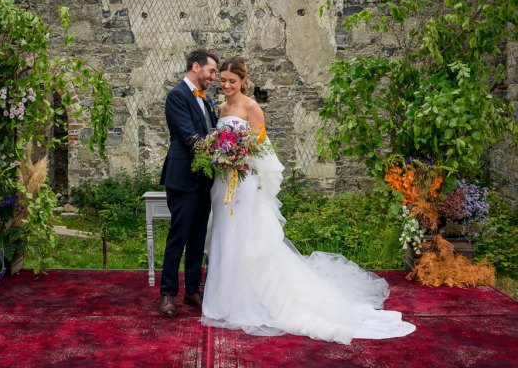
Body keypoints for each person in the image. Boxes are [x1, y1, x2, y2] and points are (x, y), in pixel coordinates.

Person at [201, 56, 416, 344]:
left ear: (243, 81)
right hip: (223, 181)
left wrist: (241, 158)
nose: (226, 85)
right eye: (223, 80)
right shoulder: (220, 107)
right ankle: (224, 299)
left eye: (232, 81)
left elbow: (262, 146)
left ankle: (251, 299)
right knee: (224, 235)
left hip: (245, 179)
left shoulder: (251, 106)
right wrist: (221, 156)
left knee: (245, 236)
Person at [159, 49, 219, 317]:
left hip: (205, 178)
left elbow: (213, 131)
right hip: (183, 177)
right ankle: (168, 294)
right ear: (196, 67)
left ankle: (192, 291)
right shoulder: (177, 96)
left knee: (197, 238)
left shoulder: (206, 100)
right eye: (211, 71)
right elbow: (189, 137)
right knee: (179, 236)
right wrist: (220, 149)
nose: (214, 77)